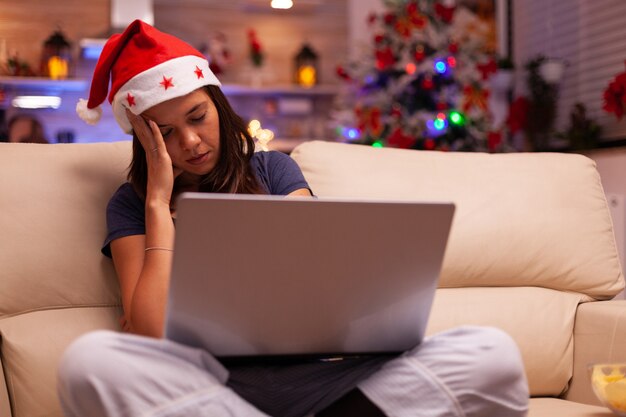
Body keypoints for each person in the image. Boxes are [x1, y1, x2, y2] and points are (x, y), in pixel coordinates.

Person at [57, 19, 529, 417]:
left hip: (327, 380)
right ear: (144, 140)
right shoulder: (131, 204)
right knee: (87, 361)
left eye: (198, 117)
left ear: (218, 105)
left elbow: (317, 279)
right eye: (166, 134)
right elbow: (149, 333)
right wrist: (158, 205)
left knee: (492, 352)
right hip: (213, 386)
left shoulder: (272, 170)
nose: (191, 143)